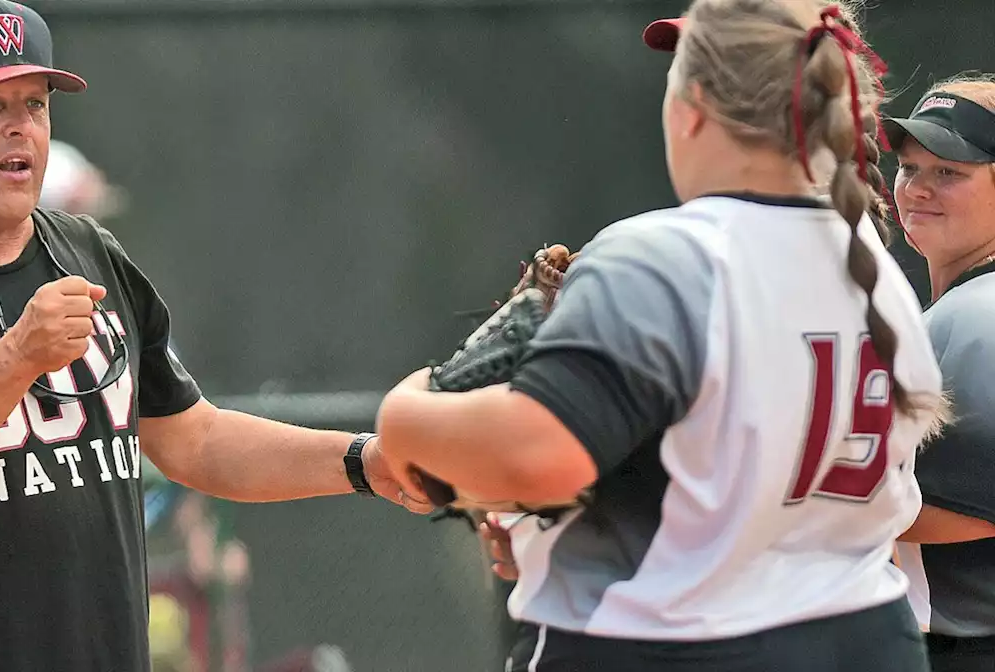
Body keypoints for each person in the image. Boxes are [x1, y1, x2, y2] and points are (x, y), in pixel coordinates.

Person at [0, 2, 429, 671]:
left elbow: (194, 439)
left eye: (33, 104)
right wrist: (17, 358)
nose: (18, 128)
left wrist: (362, 462)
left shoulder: (88, 252)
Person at [376, 1, 949, 670]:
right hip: (865, 640)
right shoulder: (876, 275)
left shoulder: (664, 257)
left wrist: (407, 409)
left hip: (674, 647)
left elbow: (538, 458)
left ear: (694, 106)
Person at [886, 74, 995, 672]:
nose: (917, 189)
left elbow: (979, 505)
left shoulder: (977, 316)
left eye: (949, 171)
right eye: (908, 167)